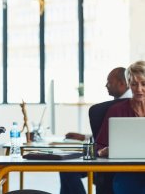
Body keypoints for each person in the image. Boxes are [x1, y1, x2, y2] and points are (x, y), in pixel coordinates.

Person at [60, 67, 132, 194]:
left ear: (122, 83)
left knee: (67, 168)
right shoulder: (115, 106)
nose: (106, 85)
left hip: (110, 159)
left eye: (109, 82)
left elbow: (114, 137)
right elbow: (109, 134)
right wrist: (85, 137)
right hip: (104, 153)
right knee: (67, 167)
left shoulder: (128, 106)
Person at [96, 60, 145, 194]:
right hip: (128, 172)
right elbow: (99, 145)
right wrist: (104, 151)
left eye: (143, 84)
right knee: (126, 185)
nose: (139, 89)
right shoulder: (116, 111)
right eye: (134, 84)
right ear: (129, 84)